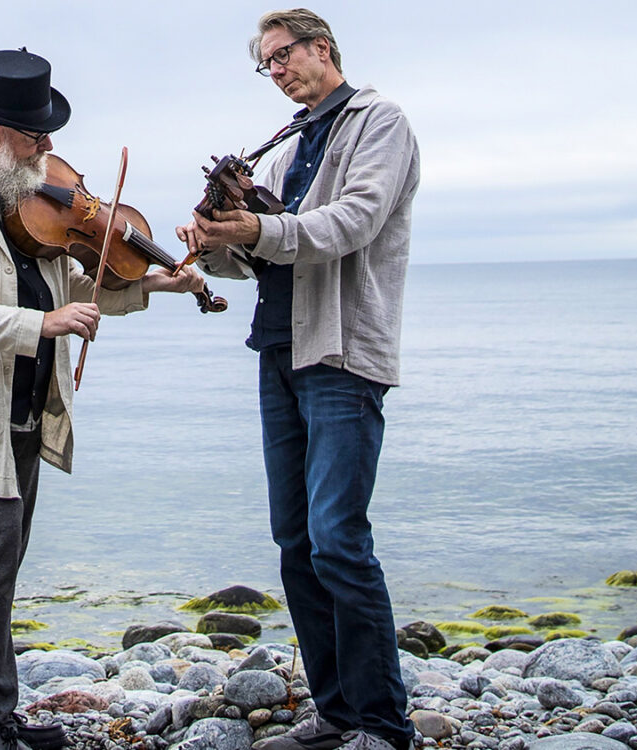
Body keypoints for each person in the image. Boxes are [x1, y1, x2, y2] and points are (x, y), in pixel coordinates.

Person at [0, 48, 204, 750]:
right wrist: (40, 326)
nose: (51, 150)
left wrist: (158, 282)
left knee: (2, 565)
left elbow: (78, 278)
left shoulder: (26, 189)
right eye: (37, 137)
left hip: (30, 408)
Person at [175, 9, 420, 750]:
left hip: (342, 353)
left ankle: (385, 724)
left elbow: (355, 221)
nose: (277, 71)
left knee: (339, 539)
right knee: (295, 542)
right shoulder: (289, 144)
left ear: (323, 49)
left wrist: (255, 230)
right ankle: (338, 711)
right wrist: (213, 237)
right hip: (278, 350)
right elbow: (255, 258)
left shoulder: (380, 122)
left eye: (283, 57)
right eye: (267, 64)